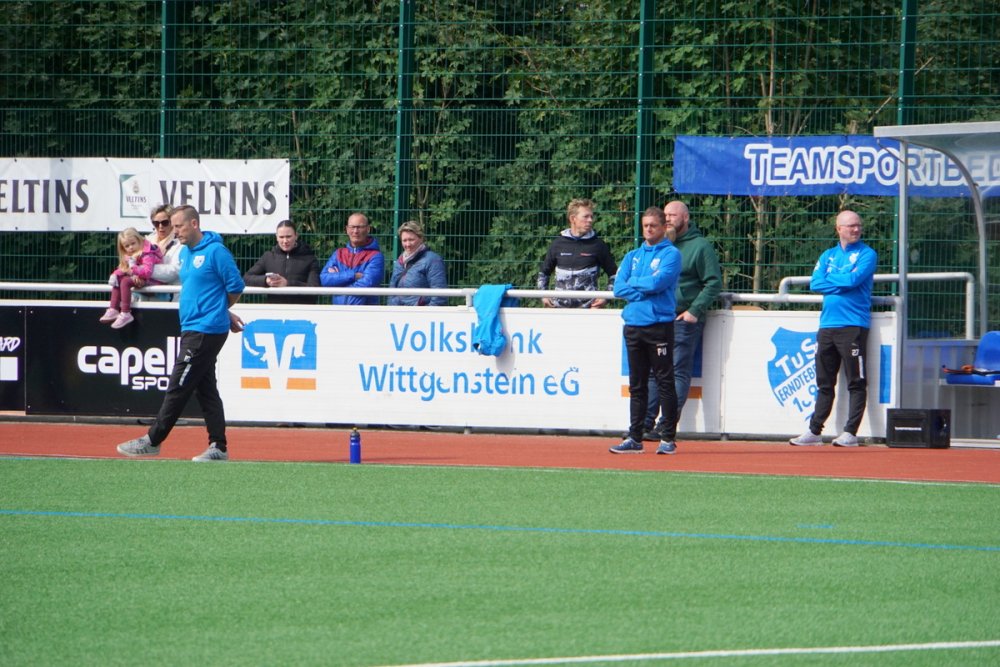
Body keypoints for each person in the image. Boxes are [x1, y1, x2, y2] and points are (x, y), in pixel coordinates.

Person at [116, 205, 246, 462]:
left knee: (179, 384)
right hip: (193, 327)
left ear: (194, 224)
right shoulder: (185, 253)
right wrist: (223, 310)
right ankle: (218, 446)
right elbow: (201, 288)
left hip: (205, 329)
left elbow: (235, 287)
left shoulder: (216, 252)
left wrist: (221, 311)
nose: (174, 232)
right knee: (205, 389)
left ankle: (153, 440)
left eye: (178, 226)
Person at [790, 209, 877, 447]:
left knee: (856, 381)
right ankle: (814, 431)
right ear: (839, 229)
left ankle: (851, 433)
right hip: (827, 326)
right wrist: (842, 281)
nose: (856, 229)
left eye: (858, 225)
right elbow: (815, 283)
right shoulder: (828, 255)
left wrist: (834, 280)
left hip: (853, 325)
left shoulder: (867, 254)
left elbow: (853, 280)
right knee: (824, 382)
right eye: (851, 226)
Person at [643, 200, 723, 439]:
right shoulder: (657, 245)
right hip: (657, 317)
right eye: (665, 215)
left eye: (673, 215)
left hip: (682, 319)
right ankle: (644, 423)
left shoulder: (700, 246)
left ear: (685, 218)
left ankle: (666, 425)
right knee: (653, 372)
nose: (667, 219)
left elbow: (713, 283)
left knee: (677, 370)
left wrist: (694, 311)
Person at [609, 206, 682, 455]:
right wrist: (642, 289)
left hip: (659, 326)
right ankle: (635, 436)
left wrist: (636, 283)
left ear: (663, 227)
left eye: (653, 225)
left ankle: (668, 438)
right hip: (633, 326)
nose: (649, 229)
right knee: (637, 385)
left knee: (664, 381)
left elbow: (658, 283)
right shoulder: (633, 256)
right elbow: (618, 287)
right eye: (645, 226)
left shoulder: (671, 254)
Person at [536, 198, 617, 308]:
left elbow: (614, 275)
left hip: (588, 310)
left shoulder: (598, 245)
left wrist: (606, 297)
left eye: (591, 216)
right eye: (586, 216)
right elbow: (543, 273)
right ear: (573, 218)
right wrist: (544, 296)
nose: (590, 220)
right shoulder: (557, 244)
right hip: (559, 310)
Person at [99, 227, 163, 329]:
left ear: (139, 240)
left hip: (151, 281)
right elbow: (123, 268)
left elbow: (147, 272)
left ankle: (125, 312)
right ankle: (113, 308)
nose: (131, 247)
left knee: (125, 281)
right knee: (118, 280)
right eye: (127, 246)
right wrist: (115, 274)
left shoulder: (147, 254)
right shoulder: (130, 255)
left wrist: (133, 269)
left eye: (133, 243)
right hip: (139, 278)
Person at [243, 219, 320, 304]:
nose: (285, 241)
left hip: (302, 309)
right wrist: (266, 281)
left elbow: (315, 289)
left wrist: (287, 283)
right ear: (276, 237)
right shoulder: (268, 257)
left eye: (288, 236)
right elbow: (246, 278)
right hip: (275, 309)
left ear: (296, 236)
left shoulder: (310, 259)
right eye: (281, 237)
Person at [320, 212, 384, 305]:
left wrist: (338, 280)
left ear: (368, 229)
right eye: (352, 227)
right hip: (338, 311)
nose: (355, 231)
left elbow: (366, 285)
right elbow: (324, 279)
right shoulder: (338, 254)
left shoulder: (376, 256)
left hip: (364, 312)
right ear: (347, 229)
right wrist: (353, 275)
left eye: (359, 227)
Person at [130, 204, 183, 302]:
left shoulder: (181, 244)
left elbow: (174, 272)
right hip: (141, 298)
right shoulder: (145, 241)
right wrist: (136, 276)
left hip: (167, 300)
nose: (160, 226)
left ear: (172, 222)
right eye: (156, 223)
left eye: (165, 222)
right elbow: (130, 264)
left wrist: (143, 270)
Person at [388, 220, 448, 306]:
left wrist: (426, 312)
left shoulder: (433, 260)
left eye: (411, 240)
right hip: (398, 312)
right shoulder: (400, 261)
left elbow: (439, 295)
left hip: (420, 312)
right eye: (404, 240)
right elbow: (392, 292)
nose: (408, 244)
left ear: (421, 238)